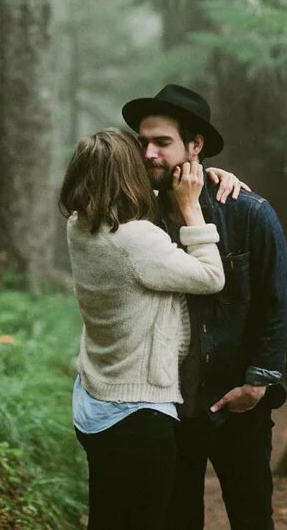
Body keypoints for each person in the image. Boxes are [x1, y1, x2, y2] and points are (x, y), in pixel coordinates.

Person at [121, 84, 287, 529]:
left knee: (251, 514)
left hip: (237, 399)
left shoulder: (249, 213)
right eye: (143, 142)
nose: (148, 154)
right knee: (177, 518)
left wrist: (256, 385)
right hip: (170, 401)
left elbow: (278, 303)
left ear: (194, 147)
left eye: (162, 142)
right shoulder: (140, 216)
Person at [60, 128, 226, 530]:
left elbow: (133, 210)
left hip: (94, 400)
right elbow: (210, 276)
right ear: (129, 175)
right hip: (136, 413)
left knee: (107, 517)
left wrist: (210, 175)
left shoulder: (81, 226)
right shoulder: (137, 241)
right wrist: (191, 208)